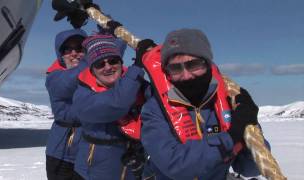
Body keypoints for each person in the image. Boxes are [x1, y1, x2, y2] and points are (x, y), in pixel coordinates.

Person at [139, 28, 269, 180]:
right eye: (175, 68)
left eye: (193, 65)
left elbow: (250, 169)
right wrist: (231, 138)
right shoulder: (154, 110)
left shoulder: (227, 103)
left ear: (207, 64)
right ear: (167, 72)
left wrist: (250, 126)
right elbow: (176, 165)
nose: (186, 76)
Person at [70, 34, 147, 180]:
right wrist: (137, 67)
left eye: (113, 61)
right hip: (94, 173)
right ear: (92, 70)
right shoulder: (82, 97)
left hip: (133, 170)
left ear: (120, 62)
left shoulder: (137, 85)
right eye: (100, 64)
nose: (108, 67)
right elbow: (117, 103)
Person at [45, 29, 88, 180]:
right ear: (61, 54)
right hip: (61, 154)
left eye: (79, 48)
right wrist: (95, 56)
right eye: (68, 49)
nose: (74, 53)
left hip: (89, 154)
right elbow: (72, 80)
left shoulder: (99, 74)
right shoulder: (54, 77)